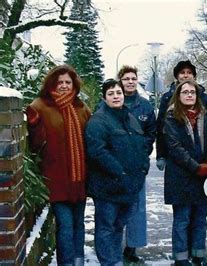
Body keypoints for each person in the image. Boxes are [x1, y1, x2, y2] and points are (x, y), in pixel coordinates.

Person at [26, 64, 91, 266]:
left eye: (67, 82)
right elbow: (36, 146)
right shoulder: (40, 106)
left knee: (79, 224)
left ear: (74, 84)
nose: (63, 86)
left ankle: (78, 261)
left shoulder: (81, 108)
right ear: (51, 83)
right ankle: (67, 263)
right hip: (56, 178)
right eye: (59, 82)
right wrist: (34, 125)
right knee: (65, 224)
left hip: (80, 178)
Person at [85, 79, 149, 265]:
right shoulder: (98, 121)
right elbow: (98, 152)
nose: (116, 96)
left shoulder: (130, 118)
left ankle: (115, 259)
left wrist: (143, 167)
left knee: (119, 226)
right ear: (104, 98)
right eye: (111, 93)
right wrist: (120, 173)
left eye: (118, 92)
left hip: (129, 186)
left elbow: (142, 145)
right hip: (108, 187)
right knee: (106, 228)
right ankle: (110, 262)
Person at [162, 80, 207, 266]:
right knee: (182, 220)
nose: (189, 95)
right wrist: (196, 166)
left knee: (200, 219)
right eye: (185, 92)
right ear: (179, 95)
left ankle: (199, 254)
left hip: (204, 177)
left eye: (192, 92)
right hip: (181, 176)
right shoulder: (171, 117)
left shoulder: (204, 115)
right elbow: (175, 147)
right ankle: (181, 257)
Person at [117, 65, 156, 262]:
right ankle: (115, 245)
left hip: (137, 167)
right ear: (120, 81)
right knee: (116, 207)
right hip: (115, 165)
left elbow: (151, 134)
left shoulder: (146, 106)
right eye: (126, 79)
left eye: (133, 78)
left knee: (137, 208)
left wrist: (142, 153)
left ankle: (132, 247)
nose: (130, 82)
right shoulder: (111, 102)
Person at [156, 60, 207, 171]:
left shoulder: (203, 97)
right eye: (182, 72)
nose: (186, 75)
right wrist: (160, 155)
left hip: (201, 157)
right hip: (177, 158)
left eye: (189, 72)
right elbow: (160, 128)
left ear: (194, 76)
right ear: (177, 76)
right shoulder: (167, 98)